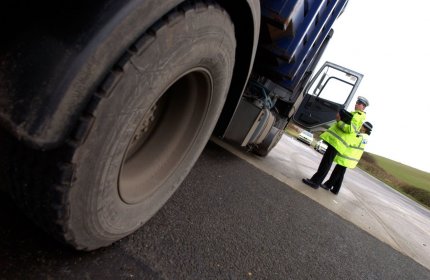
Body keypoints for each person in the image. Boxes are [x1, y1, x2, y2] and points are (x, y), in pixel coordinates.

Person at [302, 96, 369, 189]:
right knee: (325, 163)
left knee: (326, 164)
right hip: (335, 142)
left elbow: (350, 129)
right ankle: (315, 181)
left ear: (363, 106)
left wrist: (339, 121)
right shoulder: (356, 114)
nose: (356, 104)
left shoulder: (358, 116)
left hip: (337, 143)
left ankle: (315, 182)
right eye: (356, 102)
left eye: (359, 103)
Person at [320, 121, 373, 194]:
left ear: (365, 129)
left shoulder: (359, 136)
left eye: (362, 126)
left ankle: (327, 185)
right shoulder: (365, 137)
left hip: (347, 157)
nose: (360, 126)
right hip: (350, 158)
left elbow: (350, 142)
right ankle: (336, 189)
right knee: (340, 173)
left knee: (337, 172)